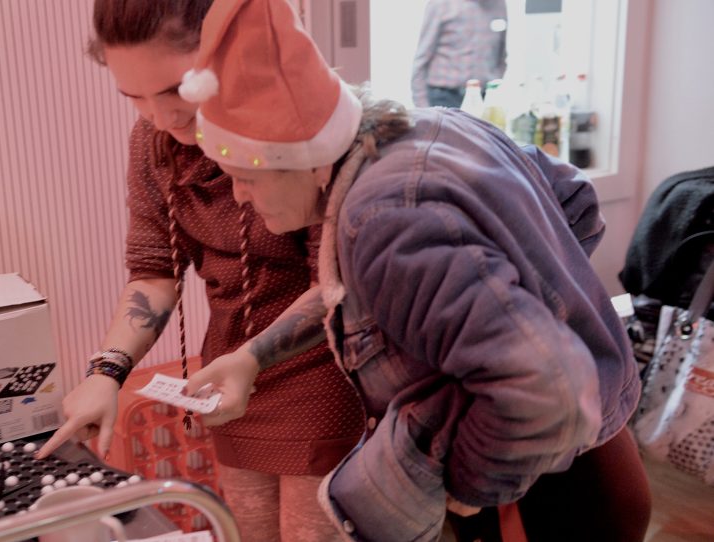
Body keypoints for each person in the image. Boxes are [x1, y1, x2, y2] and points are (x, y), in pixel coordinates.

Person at [180, 0, 652, 540]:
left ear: (308, 158)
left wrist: (468, 483)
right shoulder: (433, 126)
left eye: (248, 177)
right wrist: (536, 301)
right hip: (602, 451)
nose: (241, 198)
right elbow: (575, 201)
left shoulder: (382, 221)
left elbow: (546, 394)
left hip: (546, 479)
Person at [35, 2, 365, 541]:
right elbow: (153, 272)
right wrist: (106, 372)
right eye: (134, 97)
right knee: (247, 531)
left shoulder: (307, 128)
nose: (159, 117)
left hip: (323, 376)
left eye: (173, 91)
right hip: (229, 380)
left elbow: (333, 283)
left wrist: (252, 359)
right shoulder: (155, 142)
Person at [411, 0, 508, 108]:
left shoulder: (498, 4)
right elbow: (422, 59)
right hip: (444, 97)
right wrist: (423, 109)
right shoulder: (440, 4)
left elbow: (501, 53)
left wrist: (495, 86)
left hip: (482, 97)